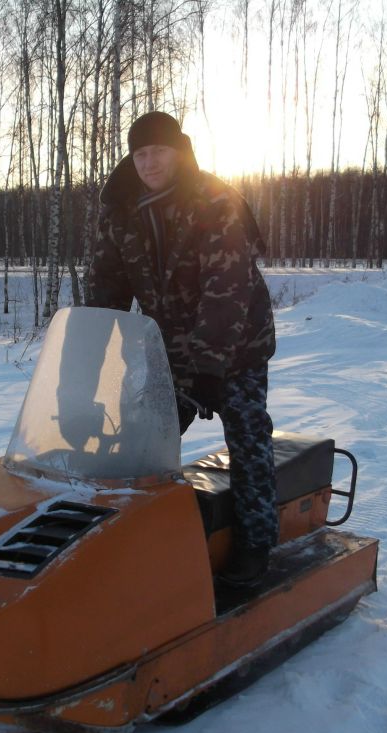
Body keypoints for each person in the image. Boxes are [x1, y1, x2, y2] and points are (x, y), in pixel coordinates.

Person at [86, 111, 277, 587]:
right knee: (140, 441)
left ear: (180, 151)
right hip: (168, 347)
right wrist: (87, 359)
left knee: (246, 434)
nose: (149, 161)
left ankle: (255, 546)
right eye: (140, 152)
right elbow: (105, 287)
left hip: (236, 345)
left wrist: (210, 370)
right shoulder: (123, 210)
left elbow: (226, 287)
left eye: (159, 151)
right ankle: (127, 544)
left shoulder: (215, 201)